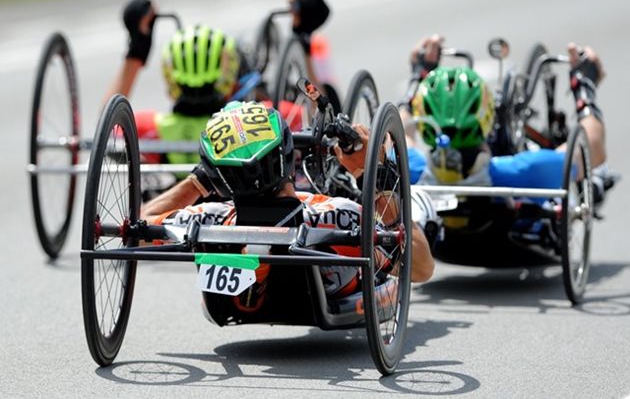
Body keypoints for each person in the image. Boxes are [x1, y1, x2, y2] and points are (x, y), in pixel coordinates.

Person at [142, 100, 435, 312]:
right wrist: (376, 174)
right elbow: (422, 267)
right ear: (286, 155)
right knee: (418, 192)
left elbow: (141, 224)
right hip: (331, 259)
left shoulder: (212, 221)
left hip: (238, 274)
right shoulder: (339, 214)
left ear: (219, 174)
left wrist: (198, 180)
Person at [104, 0, 332, 168]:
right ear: (230, 77)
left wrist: (136, 52)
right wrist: (303, 42)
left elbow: (105, 126)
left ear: (171, 78)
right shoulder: (267, 116)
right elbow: (325, 124)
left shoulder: (152, 128)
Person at [400, 35, 616, 205]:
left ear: (424, 121)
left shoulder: (409, 168)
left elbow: (400, 133)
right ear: (486, 118)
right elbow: (593, 148)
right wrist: (584, 86)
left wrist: (419, 74)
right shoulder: (522, 172)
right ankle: (596, 181)